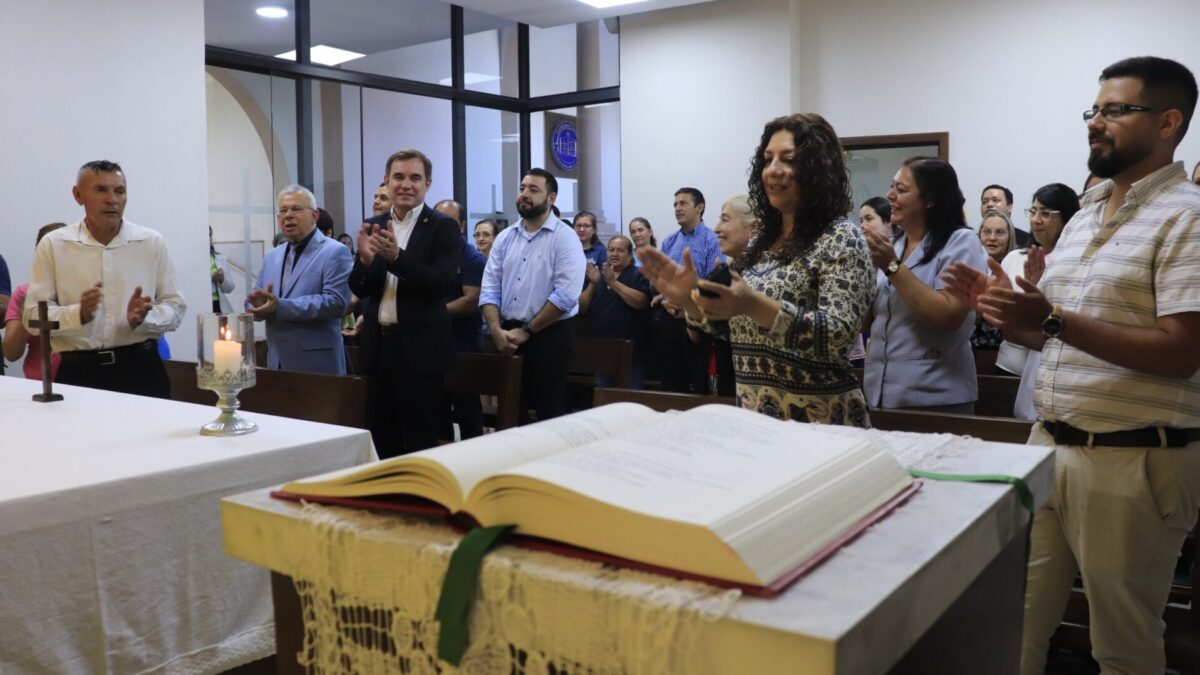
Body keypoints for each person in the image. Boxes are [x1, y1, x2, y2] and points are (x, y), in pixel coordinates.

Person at [946, 56, 1200, 675]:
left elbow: (1182, 351)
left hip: (1133, 459)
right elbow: (1058, 337)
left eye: (1117, 110)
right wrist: (1014, 314)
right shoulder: (1084, 217)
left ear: (1168, 122)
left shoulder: (1188, 215)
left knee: (1122, 646)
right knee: (1014, 624)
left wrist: (1054, 320)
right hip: (1047, 444)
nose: (1097, 123)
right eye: (1094, 110)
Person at [641, 113, 875, 426]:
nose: (773, 170)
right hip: (757, 422)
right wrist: (688, 301)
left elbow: (837, 337)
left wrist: (753, 303)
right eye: (767, 159)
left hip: (822, 424)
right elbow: (725, 330)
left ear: (819, 169)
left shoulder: (841, 236)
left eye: (788, 159)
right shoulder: (758, 245)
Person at [24, 160, 186, 398]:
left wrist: (144, 318)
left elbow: (175, 307)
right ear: (78, 195)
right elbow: (33, 316)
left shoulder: (150, 242)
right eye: (101, 190)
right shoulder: (54, 244)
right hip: (79, 371)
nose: (112, 199)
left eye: (119, 191)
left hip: (141, 367)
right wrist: (78, 314)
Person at [352, 148, 461, 457]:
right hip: (377, 347)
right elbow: (360, 287)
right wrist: (364, 260)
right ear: (386, 182)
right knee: (379, 438)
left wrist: (397, 258)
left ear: (427, 184)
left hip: (420, 351)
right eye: (398, 177)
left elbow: (443, 285)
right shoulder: (373, 224)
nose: (406, 184)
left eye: (415, 178)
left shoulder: (443, 226)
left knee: (420, 443)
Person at [862, 157, 988, 413]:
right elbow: (873, 318)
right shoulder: (895, 245)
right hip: (882, 393)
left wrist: (892, 267)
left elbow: (947, 316)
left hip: (937, 395)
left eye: (901, 190)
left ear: (930, 199)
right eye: (891, 187)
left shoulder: (961, 242)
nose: (890, 196)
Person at [480, 168, 586, 422]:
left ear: (551, 198)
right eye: (522, 188)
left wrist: (527, 330)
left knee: (549, 414)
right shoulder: (505, 238)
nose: (525, 194)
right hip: (506, 335)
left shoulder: (565, 238)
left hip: (549, 336)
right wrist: (495, 329)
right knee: (509, 411)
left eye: (534, 190)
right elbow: (490, 288)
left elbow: (565, 296)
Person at [247, 185, 352, 375]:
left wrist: (280, 306)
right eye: (283, 210)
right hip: (276, 362)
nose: (288, 215)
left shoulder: (335, 252)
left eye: (296, 209)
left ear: (315, 216)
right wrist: (255, 306)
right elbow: (257, 298)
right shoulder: (272, 256)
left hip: (317, 364)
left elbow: (336, 303)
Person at [992, 184, 1080, 382]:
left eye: (1046, 213)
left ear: (1068, 216)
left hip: (1060, 365)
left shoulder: (1075, 260)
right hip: (1013, 363)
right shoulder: (1016, 257)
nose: (1035, 219)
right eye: (1033, 211)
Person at [653, 187, 723, 393]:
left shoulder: (712, 240)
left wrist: (688, 303)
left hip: (696, 319)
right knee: (670, 384)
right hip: (668, 319)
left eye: (683, 203)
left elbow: (713, 284)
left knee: (697, 384)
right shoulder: (669, 241)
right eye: (675, 204)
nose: (677, 208)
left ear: (699, 207)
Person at [434, 198, 486, 440]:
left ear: (462, 226)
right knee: (436, 409)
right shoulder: (431, 254)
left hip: (463, 346)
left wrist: (431, 314)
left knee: (467, 411)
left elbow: (470, 300)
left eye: (450, 223)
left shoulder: (472, 258)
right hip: (433, 343)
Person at [579, 235, 652, 388]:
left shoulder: (639, 274)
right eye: (611, 250)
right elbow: (581, 308)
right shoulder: (598, 275)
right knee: (604, 400)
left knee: (630, 402)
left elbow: (640, 302)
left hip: (632, 353)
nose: (614, 254)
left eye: (620, 250)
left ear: (630, 255)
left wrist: (613, 283)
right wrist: (593, 284)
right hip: (603, 351)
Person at [709, 193, 759, 394]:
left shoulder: (766, 275)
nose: (716, 229)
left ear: (753, 228)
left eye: (725, 219)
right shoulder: (727, 272)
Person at [4, 223, 67, 380]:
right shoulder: (24, 294)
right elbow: (11, 354)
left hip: (84, 384)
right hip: (38, 384)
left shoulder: (87, 292)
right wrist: (25, 319)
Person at [969, 210, 1017, 351]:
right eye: (987, 232)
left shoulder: (1017, 266)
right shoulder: (969, 265)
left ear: (1010, 237)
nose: (992, 238)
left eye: (1000, 232)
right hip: (968, 346)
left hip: (1004, 349)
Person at [981, 183, 1033, 248]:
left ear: (1010, 207)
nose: (989, 204)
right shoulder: (973, 240)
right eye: (984, 202)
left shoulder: (1027, 241)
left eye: (995, 200)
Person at [209, 226, 235, 313]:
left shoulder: (220, 258)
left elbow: (230, 288)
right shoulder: (194, 259)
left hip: (219, 306)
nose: (208, 238)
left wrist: (222, 279)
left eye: (209, 235)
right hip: (202, 304)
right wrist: (210, 279)